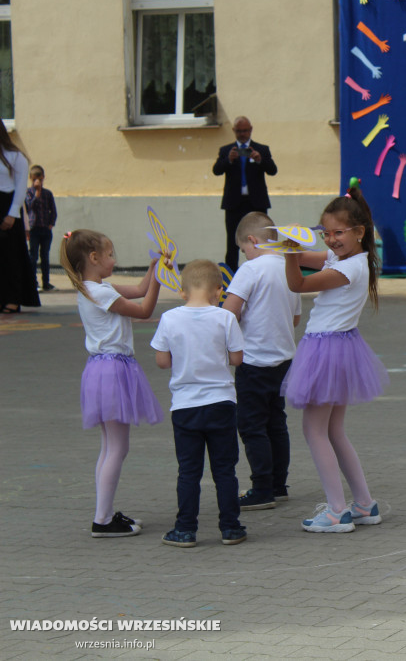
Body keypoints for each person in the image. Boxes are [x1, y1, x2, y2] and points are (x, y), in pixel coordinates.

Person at [282, 187, 388, 533]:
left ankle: (337, 510)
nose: (330, 240)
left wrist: (286, 254)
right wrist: (289, 245)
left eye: (338, 233)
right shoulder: (347, 259)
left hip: (325, 351)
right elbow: (308, 258)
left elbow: (297, 283)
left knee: (314, 431)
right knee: (333, 431)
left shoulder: (350, 268)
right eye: (325, 233)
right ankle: (363, 504)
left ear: (359, 232)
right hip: (340, 350)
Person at [60, 229, 164, 537]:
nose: (114, 260)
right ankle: (103, 520)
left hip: (100, 369)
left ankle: (103, 513)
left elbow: (138, 288)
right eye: (110, 255)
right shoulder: (102, 293)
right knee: (117, 447)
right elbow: (145, 309)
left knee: (110, 446)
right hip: (112, 370)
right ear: (94, 258)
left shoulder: (92, 288)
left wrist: (155, 268)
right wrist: (159, 278)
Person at [152, 260, 247, 548]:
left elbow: (161, 361)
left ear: (182, 291)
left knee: (189, 471)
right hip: (221, 402)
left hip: (184, 405)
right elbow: (237, 358)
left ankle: (185, 529)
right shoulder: (225, 318)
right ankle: (230, 527)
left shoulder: (169, 318)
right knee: (224, 470)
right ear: (219, 290)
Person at [223, 212, 302, 510]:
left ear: (252, 241)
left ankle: (261, 488)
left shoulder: (250, 269)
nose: (245, 254)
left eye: (244, 248)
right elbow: (295, 318)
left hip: (253, 360)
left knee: (252, 426)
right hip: (283, 358)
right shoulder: (288, 266)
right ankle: (279, 484)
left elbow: (230, 312)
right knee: (276, 423)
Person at [212, 116, 278, 271]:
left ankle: (263, 271)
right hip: (234, 203)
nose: (242, 134)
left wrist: (260, 159)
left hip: (256, 202)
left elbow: (273, 170)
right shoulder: (227, 150)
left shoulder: (261, 149)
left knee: (261, 239)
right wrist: (228, 160)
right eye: (239, 131)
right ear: (234, 131)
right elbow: (216, 170)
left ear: (251, 130)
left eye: (245, 131)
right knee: (232, 242)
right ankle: (232, 278)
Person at [0, 120, 38, 313]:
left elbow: (21, 188)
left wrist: (12, 214)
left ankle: (13, 299)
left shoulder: (16, 157)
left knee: (11, 255)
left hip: (7, 206)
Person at [24, 165, 58, 291]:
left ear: (43, 178)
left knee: (45, 256)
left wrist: (50, 224)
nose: (36, 182)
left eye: (39, 179)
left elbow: (53, 211)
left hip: (45, 230)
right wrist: (36, 193)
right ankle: (33, 283)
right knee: (33, 257)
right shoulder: (28, 193)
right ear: (30, 179)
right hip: (34, 230)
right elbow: (29, 208)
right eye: (34, 180)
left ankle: (46, 283)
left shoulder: (48, 194)